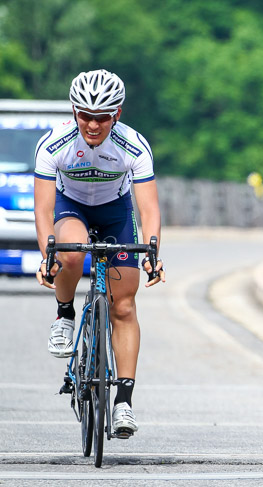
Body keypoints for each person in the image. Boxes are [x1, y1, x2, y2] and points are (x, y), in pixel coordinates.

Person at [34, 69, 165, 435]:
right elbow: (43, 210)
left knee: (123, 304)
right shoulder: (53, 144)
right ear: (74, 111)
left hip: (115, 213)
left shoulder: (134, 146)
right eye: (85, 116)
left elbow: (149, 209)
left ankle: (123, 402)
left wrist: (153, 252)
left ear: (117, 114)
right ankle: (64, 315)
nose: (93, 125)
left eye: (102, 117)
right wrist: (48, 254)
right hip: (70, 206)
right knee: (71, 254)